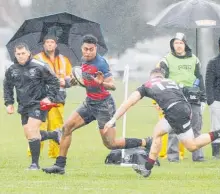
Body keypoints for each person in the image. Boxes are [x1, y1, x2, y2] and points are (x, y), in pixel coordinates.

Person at [42, 35, 152, 175]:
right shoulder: (83, 60)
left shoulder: (101, 63)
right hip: (89, 103)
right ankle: (60, 165)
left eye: (91, 50)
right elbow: (80, 79)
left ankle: (145, 142)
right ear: (82, 48)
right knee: (67, 128)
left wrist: (102, 83)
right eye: (85, 49)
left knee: (110, 144)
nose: (88, 52)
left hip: (104, 106)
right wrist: (66, 82)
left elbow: (112, 86)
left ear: (96, 49)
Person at [104, 68, 220, 178]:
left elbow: (129, 102)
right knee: (157, 132)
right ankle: (147, 168)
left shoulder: (146, 85)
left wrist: (113, 119)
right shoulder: (171, 81)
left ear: (151, 77)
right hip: (182, 109)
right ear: (162, 77)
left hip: (175, 112)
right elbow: (185, 93)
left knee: (192, 146)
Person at [3, 43, 62, 170]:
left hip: (39, 103)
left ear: (28, 53)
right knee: (29, 134)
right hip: (23, 105)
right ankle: (54, 135)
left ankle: (34, 164)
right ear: (15, 55)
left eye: (23, 53)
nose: (21, 56)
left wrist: (49, 98)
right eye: (18, 54)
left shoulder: (40, 66)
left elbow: (54, 82)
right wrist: (9, 103)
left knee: (31, 130)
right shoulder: (11, 69)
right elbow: (7, 86)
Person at [156, 32, 206, 162]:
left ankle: (198, 156)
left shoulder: (194, 59)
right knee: (174, 128)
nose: (178, 46)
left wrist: (204, 98)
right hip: (175, 97)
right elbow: (161, 79)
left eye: (181, 43)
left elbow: (199, 78)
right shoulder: (166, 60)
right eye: (176, 43)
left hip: (193, 96)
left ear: (185, 44)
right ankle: (173, 156)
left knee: (196, 127)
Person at [30, 35, 72, 158]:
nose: (49, 44)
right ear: (43, 45)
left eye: (52, 42)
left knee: (57, 125)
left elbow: (71, 77)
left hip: (58, 97)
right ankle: (33, 152)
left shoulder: (64, 60)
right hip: (41, 97)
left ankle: (55, 153)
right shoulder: (36, 59)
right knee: (38, 124)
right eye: (47, 42)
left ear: (56, 44)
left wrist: (66, 82)